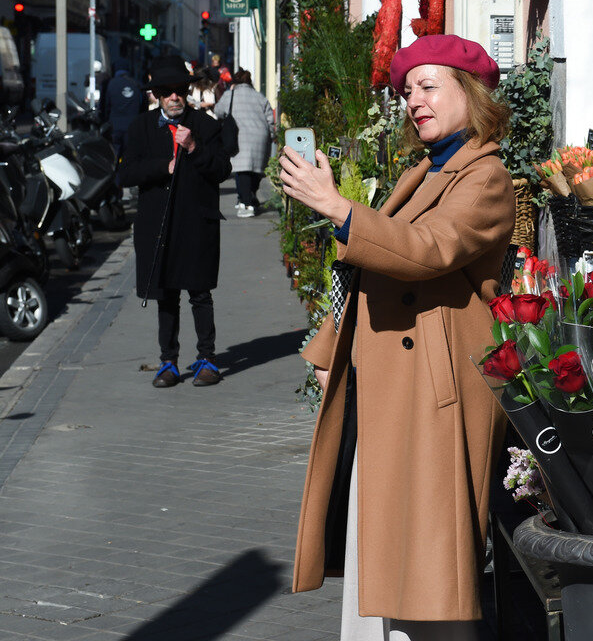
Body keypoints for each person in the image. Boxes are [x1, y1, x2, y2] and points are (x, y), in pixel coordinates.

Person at [281, 34, 516, 640]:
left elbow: (425, 251)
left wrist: (337, 208)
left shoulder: (485, 176)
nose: (414, 101)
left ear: (470, 93)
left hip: (436, 392)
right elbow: (365, 269)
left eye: (428, 86)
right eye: (408, 90)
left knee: (434, 567)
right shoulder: (423, 169)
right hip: (391, 384)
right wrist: (330, 347)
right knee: (387, 550)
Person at [118, 55, 233, 388]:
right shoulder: (140, 127)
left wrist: (194, 147)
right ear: (156, 95)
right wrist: (162, 166)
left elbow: (223, 170)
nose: (173, 97)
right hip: (158, 225)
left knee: (200, 293)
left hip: (196, 221)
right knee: (165, 295)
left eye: (179, 90)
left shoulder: (206, 126)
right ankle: (168, 361)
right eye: (166, 92)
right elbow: (125, 174)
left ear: (187, 91)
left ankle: (207, 358)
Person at [215, 68, 274, 218]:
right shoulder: (259, 97)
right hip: (261, 136)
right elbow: (270, 119)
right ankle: (249, 198)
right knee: (255, 170)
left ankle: (246, 203)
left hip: (240, 136)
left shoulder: (230, 95)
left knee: (242, 171)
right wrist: (271, 135)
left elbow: (218, 111)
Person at [100, 61, 146, 159]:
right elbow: (144, 108)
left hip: (114, 127)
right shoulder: (137, 84)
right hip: (133, 127)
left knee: (114, 155)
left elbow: (105, 106)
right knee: (130, 157)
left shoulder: (110, 84)